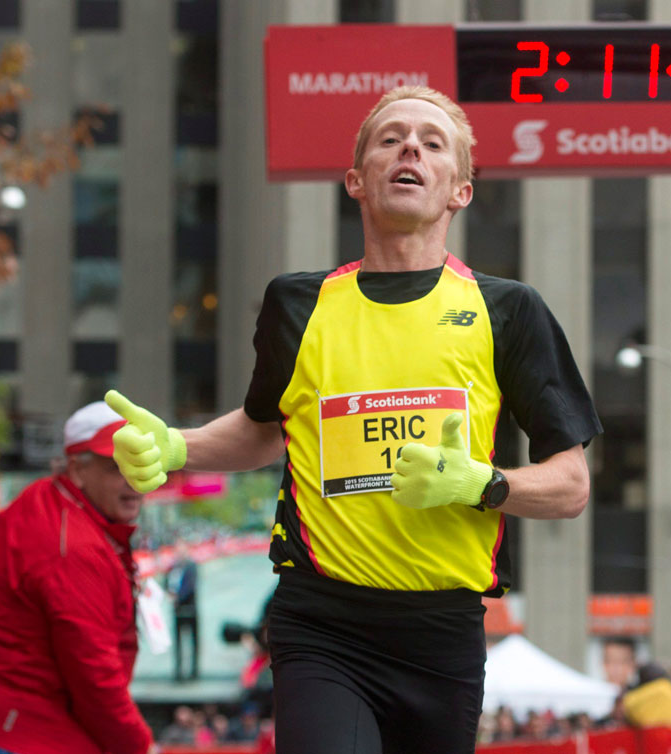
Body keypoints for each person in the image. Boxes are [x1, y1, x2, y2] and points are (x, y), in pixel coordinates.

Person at [106, 85, 600, 754]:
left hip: (442, 633)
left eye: (432, 144)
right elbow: (262, 430)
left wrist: (480, 484)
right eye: (391, 138)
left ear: (460, 189)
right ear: (357, 180)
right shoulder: (298, 304)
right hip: (323, 622)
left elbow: (571, 485)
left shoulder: (508, 311)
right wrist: (175, 445)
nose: (411, 150)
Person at [0, 402, 155, 754]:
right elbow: (93, 677)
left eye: (140, 464)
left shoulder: (43, 496)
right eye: (116, 467)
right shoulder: (76, 548)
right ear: (76, 470)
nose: (134, 480)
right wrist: (139, 746)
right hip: (19, 732)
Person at [167, 555, 199, 681]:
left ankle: (194, 671)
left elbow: (190, 585)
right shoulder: (172, 568)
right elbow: (167, 583)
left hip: (190, 609)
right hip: (177, 610)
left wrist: (177, 597)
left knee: (193, 641)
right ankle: (178, 670)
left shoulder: (191, 566)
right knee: (178, 642)